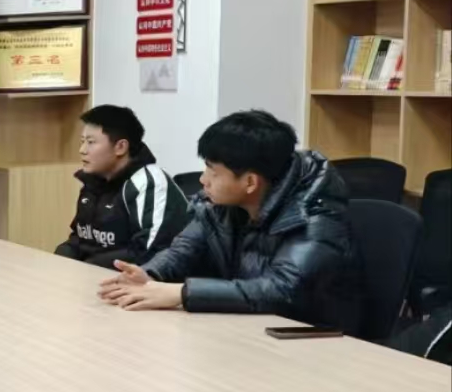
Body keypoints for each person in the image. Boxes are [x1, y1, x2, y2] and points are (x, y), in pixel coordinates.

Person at [98, 109, 362, 332]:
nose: (203, 179)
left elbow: (282, 290)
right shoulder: (222, 204)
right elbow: (183, 250)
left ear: (250, 182)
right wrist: (150, 275)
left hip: (315, 337)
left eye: (213, 171)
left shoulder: (314, 215)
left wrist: (180, 293)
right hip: (252, 327)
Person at [54, 105, 188, 268]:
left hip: (142, 279)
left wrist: (87, 268)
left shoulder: (149, 183)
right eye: (82, 142)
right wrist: (61, 257)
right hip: (96, 273)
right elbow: (81, 238)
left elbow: (148, 251)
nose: (82, 150)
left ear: (121, 147)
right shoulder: (94, 180)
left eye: (91, 142)